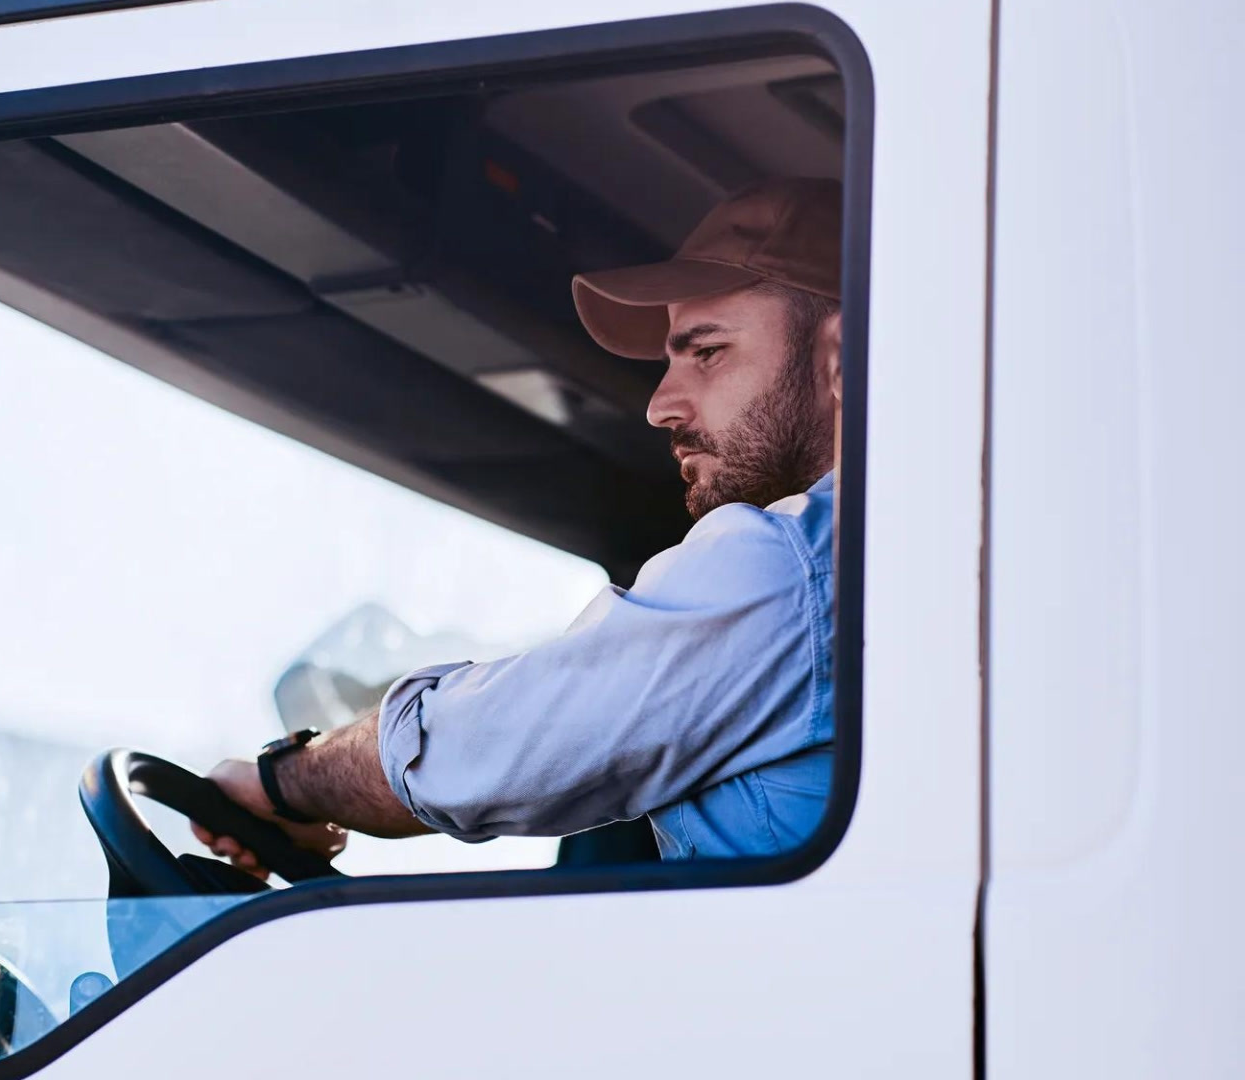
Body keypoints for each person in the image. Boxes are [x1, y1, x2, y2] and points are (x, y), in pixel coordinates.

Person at [192, 177, 845, 866]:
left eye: (706, 352)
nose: (660, 406)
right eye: (670, 360)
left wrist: (283, 784)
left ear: (841, 358)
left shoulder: (796, 565)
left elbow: (488, 749)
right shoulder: (895, 563)